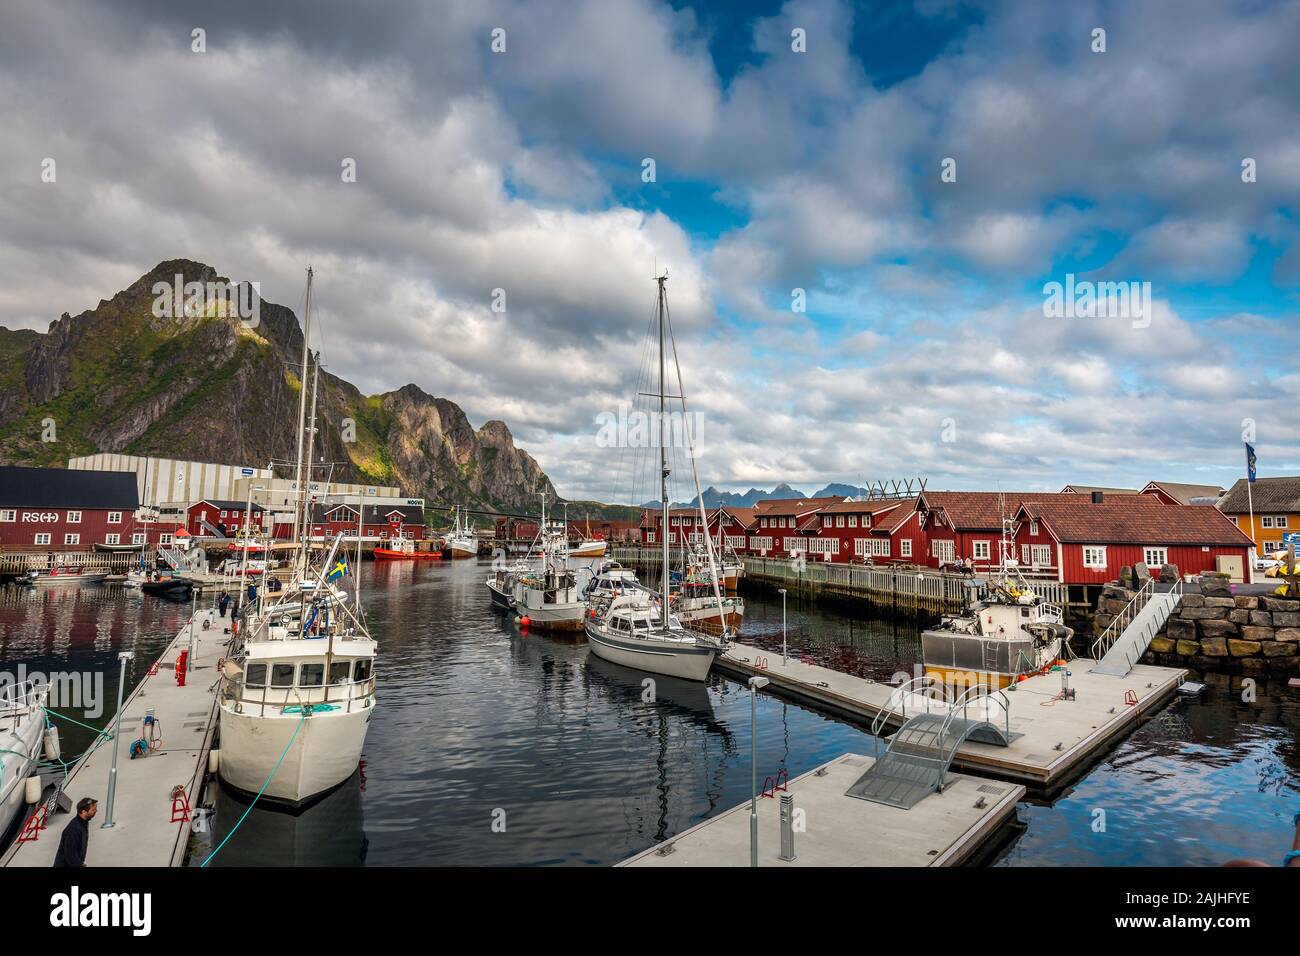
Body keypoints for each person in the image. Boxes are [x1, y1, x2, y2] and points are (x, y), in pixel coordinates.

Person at [52, 797, 97, 867]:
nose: (96, 811)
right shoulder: (73, 830)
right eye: (93, 810)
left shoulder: (83, 823)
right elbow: (70, 855)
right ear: (84, 812)